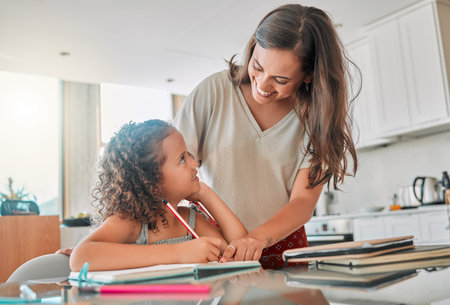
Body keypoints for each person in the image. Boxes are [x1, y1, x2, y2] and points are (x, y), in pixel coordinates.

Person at [174, 4, 358, 269]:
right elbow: (173, 168)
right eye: (257, 66)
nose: (262, 84)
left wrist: (256, 239)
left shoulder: (316, 120)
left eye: (280, 80)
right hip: (217, 245)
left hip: (283, 247)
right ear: (251, 49)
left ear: (308, 76)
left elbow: (303, 201)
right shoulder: (214, 91)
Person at [69, 119, 247, 271]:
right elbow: (80, 257)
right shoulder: (131, 223)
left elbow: (240, 250)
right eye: (182, 159)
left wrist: (205, 193)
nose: (194, 163)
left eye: (189, 154)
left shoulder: (191, 221)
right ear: (151, 180)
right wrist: (178, 253)